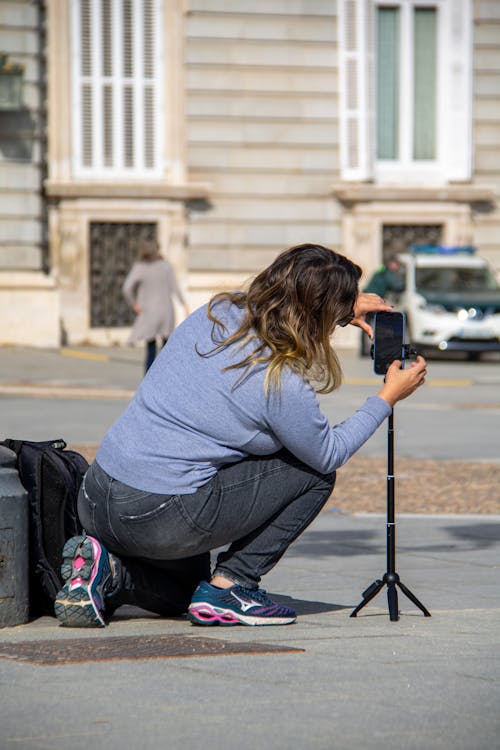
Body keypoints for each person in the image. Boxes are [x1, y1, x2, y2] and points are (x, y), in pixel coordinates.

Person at [54, 244, 427, 629]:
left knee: (183, 593)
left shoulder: (216, 312)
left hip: (96, 496)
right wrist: (387, 397)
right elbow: (328, 453)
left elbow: (291, 301)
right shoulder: (280, 379)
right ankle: (233, 586)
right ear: (320, 315)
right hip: (158, 518)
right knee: (314, 474)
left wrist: (343, 306)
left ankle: (107, 570)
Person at [122, 239, 189, 373]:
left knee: (151, 347)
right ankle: (166, 377)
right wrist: (184, 304)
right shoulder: (166, 266)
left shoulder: (140, 267)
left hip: (149, 312)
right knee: (166, 347)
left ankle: (149, 379)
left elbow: (126, 288)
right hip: (166, 311)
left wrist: (133, 304)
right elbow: (175, 287)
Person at [361, 256, 406, 356]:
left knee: (364, 324)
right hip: (374, 302)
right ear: (391, 264)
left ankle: (363, 350)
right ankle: (380, 348)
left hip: (366, 298)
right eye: (396, 265)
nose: (397, 268)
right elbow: (396, 286)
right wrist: (405, 282)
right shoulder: (388, 274)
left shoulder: (380, 271)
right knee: (381, 324)